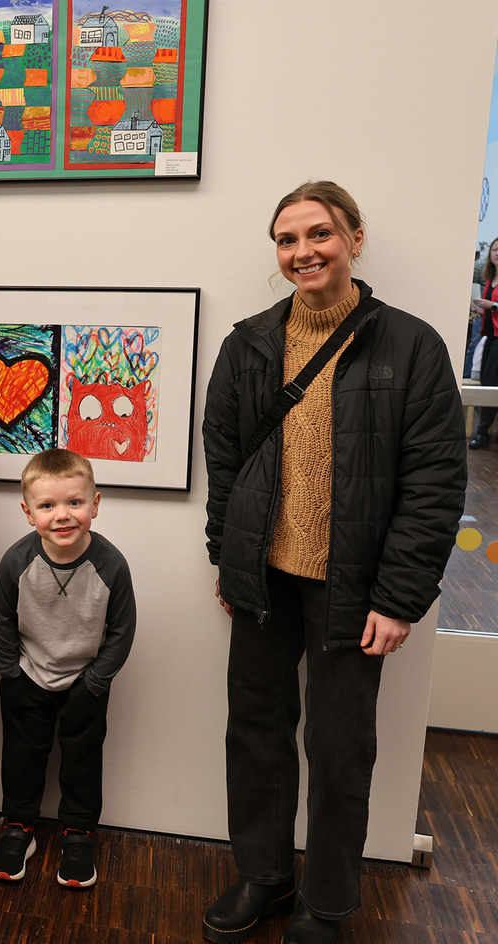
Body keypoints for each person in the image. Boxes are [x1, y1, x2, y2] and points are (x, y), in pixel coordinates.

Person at [202, 181, 466, 944]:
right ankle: (265, 876)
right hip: (264, 581)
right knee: (255, 729)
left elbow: (436, 481)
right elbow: (226, 463)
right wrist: (228, 559)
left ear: (355, 237)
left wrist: (402, 596)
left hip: (356, 588)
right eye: (287, 240)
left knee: (341, 746)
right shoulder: (249, 342)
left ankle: (328, 900)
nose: (302, 252)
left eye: (319, 234)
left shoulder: (410, 344)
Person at [0, 448, 136, 889]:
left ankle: (78, 836)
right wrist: (11, 672)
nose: (63, 515)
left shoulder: (111, 564)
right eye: (48, 506)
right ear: (27, 512)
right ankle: (19, 829)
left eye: (75, 502)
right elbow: (0, 618)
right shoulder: (17, 561)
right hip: (27, 679)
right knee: (21, 760)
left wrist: (95, 681)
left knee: (82, 764)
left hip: (85, 684)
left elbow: (122, 630)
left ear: (95, 504)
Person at [468, 236, 498, 447]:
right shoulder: (490, 278)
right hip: (489, 337)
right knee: (487, 382)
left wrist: (493, 306)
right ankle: (484, 432)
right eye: (495, 250)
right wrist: (480, 309)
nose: (497, 253)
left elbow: (495, 307)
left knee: (491, 384)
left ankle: (482, 433)